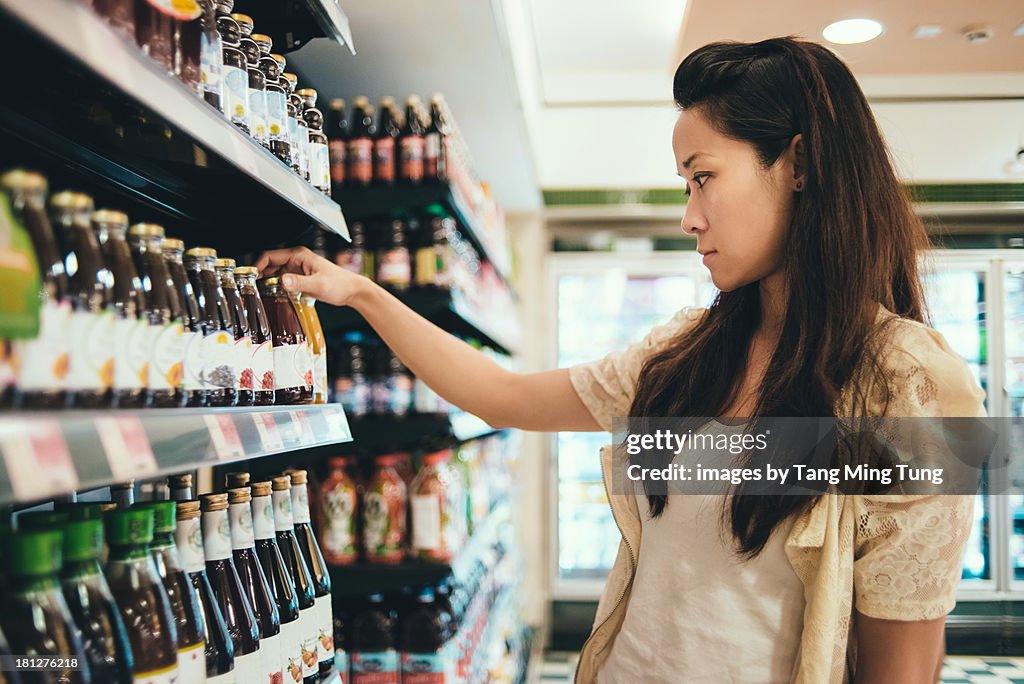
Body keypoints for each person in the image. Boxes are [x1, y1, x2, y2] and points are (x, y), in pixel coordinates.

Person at [257, 37, 984, 684]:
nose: (689, 215)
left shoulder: (910, 387)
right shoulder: (686, 356)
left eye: (703, 177)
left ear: (797, 163)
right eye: (684, 185)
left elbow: (903, 662)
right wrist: (359, 293)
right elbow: (502, 396)